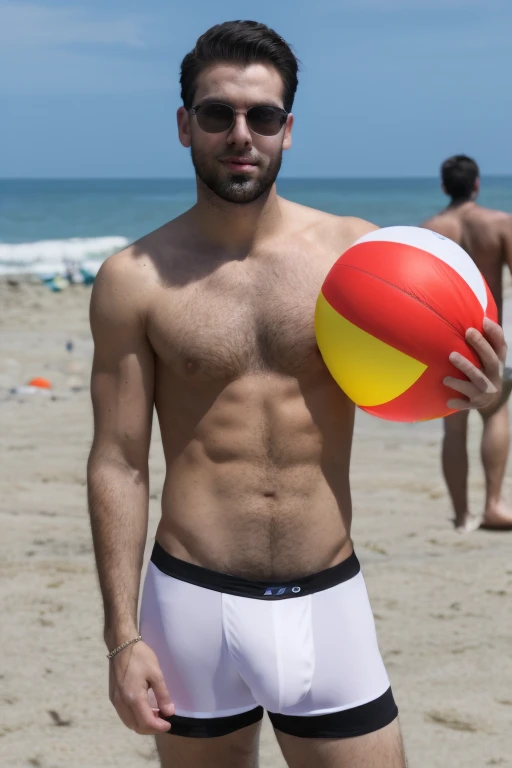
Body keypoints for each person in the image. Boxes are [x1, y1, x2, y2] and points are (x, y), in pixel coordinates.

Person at [87, 24, 507, 768]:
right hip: (190, 606)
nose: (240, 134)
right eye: (217, 114)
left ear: (289, 129)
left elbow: (425, 381)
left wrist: (485, 392)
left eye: (264, 116)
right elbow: (119, 463)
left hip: (327, 598)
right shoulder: (134, 279)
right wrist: (123, 637)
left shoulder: (360, 256)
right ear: (186, 125)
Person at [421, 155, 512, 532]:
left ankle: (461, 517)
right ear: (476, 184)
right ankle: (493, 505)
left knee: (453, 429)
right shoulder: (500, 224)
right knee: (495, 415)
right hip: (491, 341)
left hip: (445, 345)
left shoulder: (428, 231)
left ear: (444, 187)